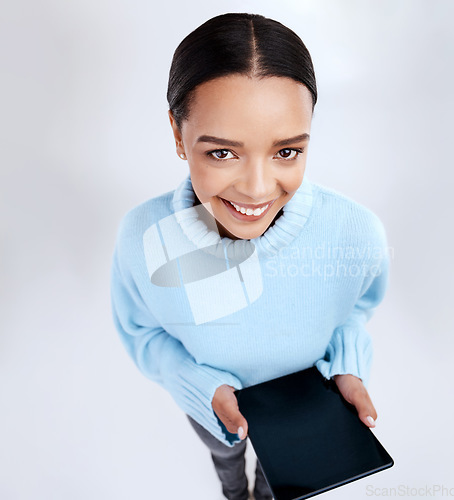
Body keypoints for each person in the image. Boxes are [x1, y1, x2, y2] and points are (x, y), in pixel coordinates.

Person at [110, 12, 390, 500]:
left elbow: (357, 310)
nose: (258, 189)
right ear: (178, 135)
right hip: (210, 408)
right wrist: (199, 387)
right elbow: (141, 330)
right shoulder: (142, 237)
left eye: (286, 152)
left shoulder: (357, 233)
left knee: (275, 485)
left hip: (305, 410)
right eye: (222, 153)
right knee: (227, 461)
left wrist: (345, 367)